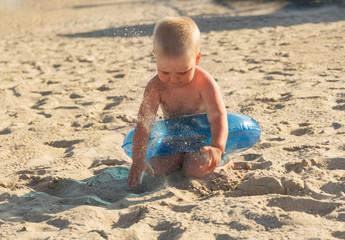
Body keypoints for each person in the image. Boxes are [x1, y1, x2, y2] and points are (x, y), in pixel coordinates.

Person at [127, 16, 232, 187]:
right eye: (164, 71)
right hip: (172, 141)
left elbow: (218, 116)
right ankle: (179, 162)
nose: (174, 79)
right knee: (155, 170)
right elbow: (144, 124)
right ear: (156, 56)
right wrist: (138, 159)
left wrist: (217, 148)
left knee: (195, 169)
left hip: (202, 140)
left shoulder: (204, 82)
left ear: (197, 59)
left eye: (183, 72)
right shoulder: (155, 87)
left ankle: (226, 162)